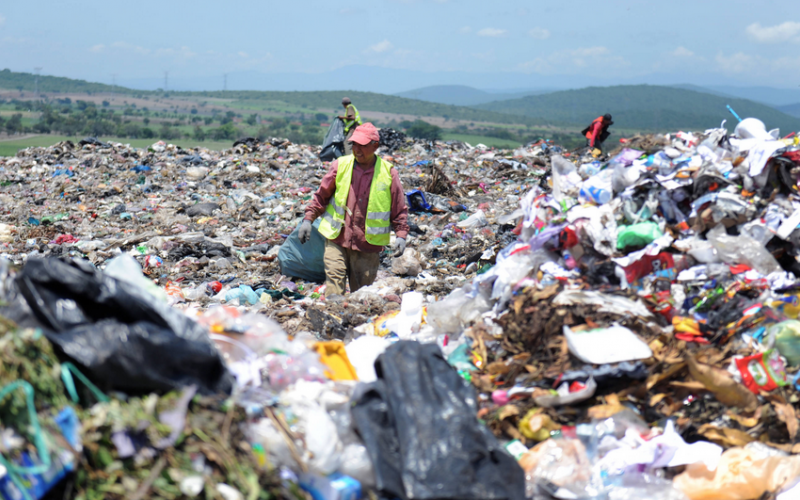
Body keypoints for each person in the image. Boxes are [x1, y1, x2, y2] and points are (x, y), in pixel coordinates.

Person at [299, 122, 408, 296]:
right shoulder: (340, 166)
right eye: (354, 144)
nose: (357, 150)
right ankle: (333, 317)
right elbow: (321, 197)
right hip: (337, 238)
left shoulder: (388, 173)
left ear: (375, 146)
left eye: (362, 146)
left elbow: (398, 208)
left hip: (367, 245)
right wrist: (308, 219)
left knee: (361, 295)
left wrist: (401, 235)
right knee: (334, 287)